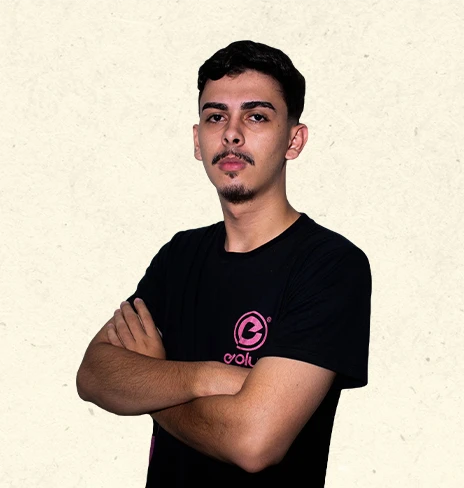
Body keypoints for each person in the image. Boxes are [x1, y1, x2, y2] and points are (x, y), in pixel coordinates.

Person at [76, 40, 372, 487]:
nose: (232, 134)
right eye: (216, 117)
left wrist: (154, 380)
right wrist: (210, 376)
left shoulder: (331, 266)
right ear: (198, 141)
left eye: (256, 117)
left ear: (294, 140)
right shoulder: (179, 256)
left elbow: (253, 444)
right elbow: (95, 374)